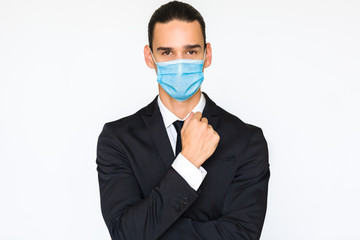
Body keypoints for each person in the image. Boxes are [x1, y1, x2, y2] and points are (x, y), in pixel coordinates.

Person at [96, 1, 270, 239]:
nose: (180, 63)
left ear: (207, 55)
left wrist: (150, 227)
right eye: (167, 52)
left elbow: (241, 234)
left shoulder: (247, 140)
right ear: (150, 57)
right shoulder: (117, 139)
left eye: (191, 52)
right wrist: (188, 163)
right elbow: (125, 234)